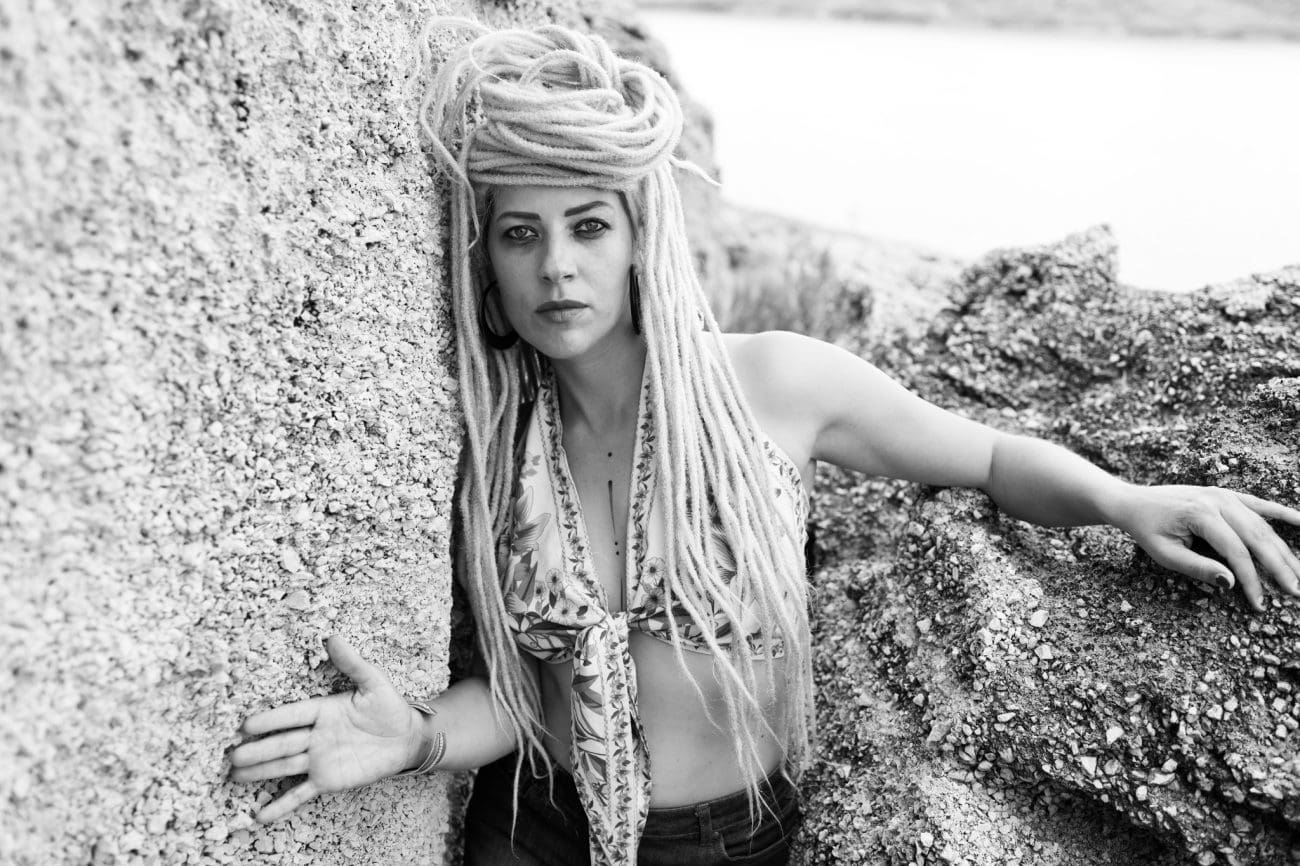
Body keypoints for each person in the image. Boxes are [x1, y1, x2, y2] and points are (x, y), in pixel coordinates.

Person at [228, 20, 1300, 866]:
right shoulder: (500, 444)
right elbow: (526, 701)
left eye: (588, 224)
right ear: (490, 266)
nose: (556, 265)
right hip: (533, 829)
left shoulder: (773, 384)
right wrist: (414, 738)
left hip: (731, 842)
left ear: (639, 236)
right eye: (522, 233)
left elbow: (983, 458)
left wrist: (1124, 500)